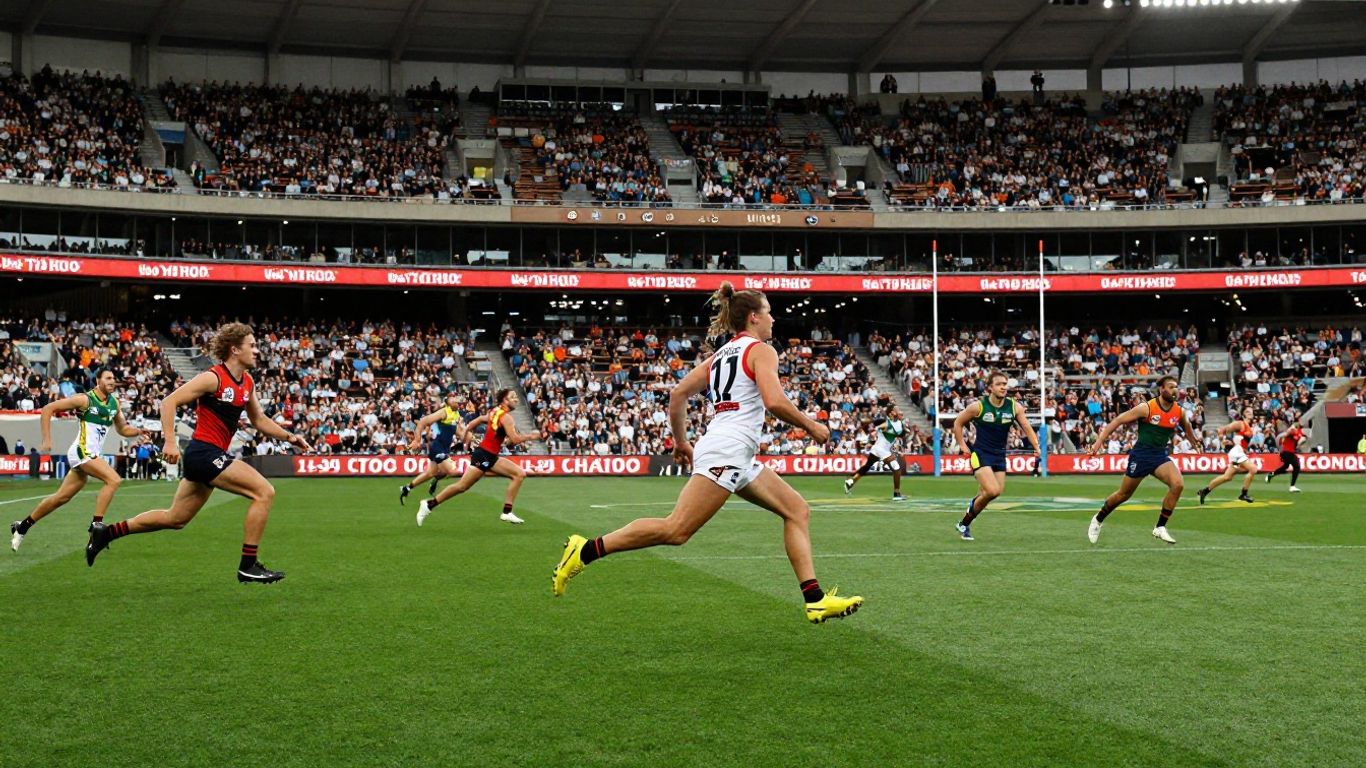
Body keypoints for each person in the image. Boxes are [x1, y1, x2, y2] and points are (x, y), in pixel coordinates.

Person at [550, 282, 864, 624]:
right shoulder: (761, 351)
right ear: (754, 317)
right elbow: (774, 401)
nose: (773, 319)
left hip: (733, 451)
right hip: (728, 450)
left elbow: (678, 395)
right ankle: (585, 550)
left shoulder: (720, 356)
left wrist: (681, 442)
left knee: (796, 510)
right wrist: (811, 425)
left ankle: (815, 600)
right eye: (769, 312)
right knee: (676, 530)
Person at [85, 323, 311, 583]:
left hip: (206, 456)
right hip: (204, 452)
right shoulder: (214, 377)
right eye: (252, 345)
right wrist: (170, 442)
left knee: (176, 518)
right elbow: (168, 402)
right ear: (235, 349)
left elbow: (258, 419)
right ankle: (248, 565)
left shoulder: (247, 382)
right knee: (264, 492)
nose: (257, 350)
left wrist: (290, 437)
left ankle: (107, 533)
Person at [10, 368, 142, 552]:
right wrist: (47, 439)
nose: (112, 381)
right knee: (113, 479)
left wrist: (140, 431)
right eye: (108, 378)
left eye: (113, 378)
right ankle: (96, 528)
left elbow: (123, 429)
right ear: (98, 381)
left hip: (90, 455)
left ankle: (22, 526)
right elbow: (48, 409)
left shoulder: (115, 404)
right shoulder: (84, 399)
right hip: (81, 452)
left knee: (61, 498)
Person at [1086, 376, 1201, 545]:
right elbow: (1117, 421)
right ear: (1162, 389)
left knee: (1178, 484)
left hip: (1159, 456)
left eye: (1176, 387)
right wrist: (1098, 443)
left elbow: (1187, 427)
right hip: (1141, 455)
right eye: (1171, 387)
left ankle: (1160, 527)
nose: (1175, 390)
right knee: (1123, 494)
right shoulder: (1146, 408)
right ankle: (1098, 519)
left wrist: (1195, 443)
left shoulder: (1179, 411)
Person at [415, 388, 539, 527]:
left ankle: (507, 512)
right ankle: (428, 504)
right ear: (505, 400)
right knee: (461, 486)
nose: (516, 399)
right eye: (513, 396)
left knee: (519, 474)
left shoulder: (495, 411)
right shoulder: (506, 417)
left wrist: (467, 430)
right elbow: (515, 439)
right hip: (484, 456)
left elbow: (480, 419)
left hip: (490, 456)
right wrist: (530, 436)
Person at [951, 372, 1041, 541]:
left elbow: (1027, 428)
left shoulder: (1014, 407)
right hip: (980, 454)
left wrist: (1036, 447)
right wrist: (962, 445)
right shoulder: (978, 407)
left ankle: (964, 524)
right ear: (990, 388)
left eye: (1005, 384)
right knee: (993, 490)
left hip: (999, 455)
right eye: (999, 384)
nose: (1003, 387)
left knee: (989, 495)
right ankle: (968, 515)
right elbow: (958, 423)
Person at [399, 389, 466, 505]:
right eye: (452, 398)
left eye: (456, 398)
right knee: (452, 471)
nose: (456, 400)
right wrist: (417, 439)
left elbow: (459, 433)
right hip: (438, 447)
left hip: (444, 448)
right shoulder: (444, 412)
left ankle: (407, 488)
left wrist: (470, 436)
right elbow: (423, 422)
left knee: (431, 473)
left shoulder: (457, 415)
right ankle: (432, 500)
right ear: (447, 402)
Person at [843, 405, 908, 501]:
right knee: (897, 469)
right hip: (882, 450)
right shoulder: (886, 423)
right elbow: (880, 428)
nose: (899, 410)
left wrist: (903, 432)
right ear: (891, 413)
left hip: (878, 449)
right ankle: (896, 494)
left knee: (867, 467)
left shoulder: (898, 423)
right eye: (896, 409)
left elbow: (898, 434)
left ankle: (850, 482)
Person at [1196, 408, 1259, 505]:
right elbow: (1222, 429)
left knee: (1227, 477)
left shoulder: (1249, 426)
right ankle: (1244, 494)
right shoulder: (1240, 424)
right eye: (1247, 411)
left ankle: (1205, 491)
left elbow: (1241, 441)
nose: (1250, 413)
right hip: (1237, 452)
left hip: (1239, 453)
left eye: (1251, 411)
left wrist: (1236, 444)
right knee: (1253, 469)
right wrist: (1222, 439)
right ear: (1243, 414)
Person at [1266, 421, 1305, 492]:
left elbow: (1299, 440)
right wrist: (1291, 431)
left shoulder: (1297, 432)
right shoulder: (1293, 431)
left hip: (1286, 453)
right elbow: (1290, 433)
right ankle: (1292, 486)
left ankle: (1270, 474)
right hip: (1287, 452)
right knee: (1297, 466)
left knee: (1285, 467)